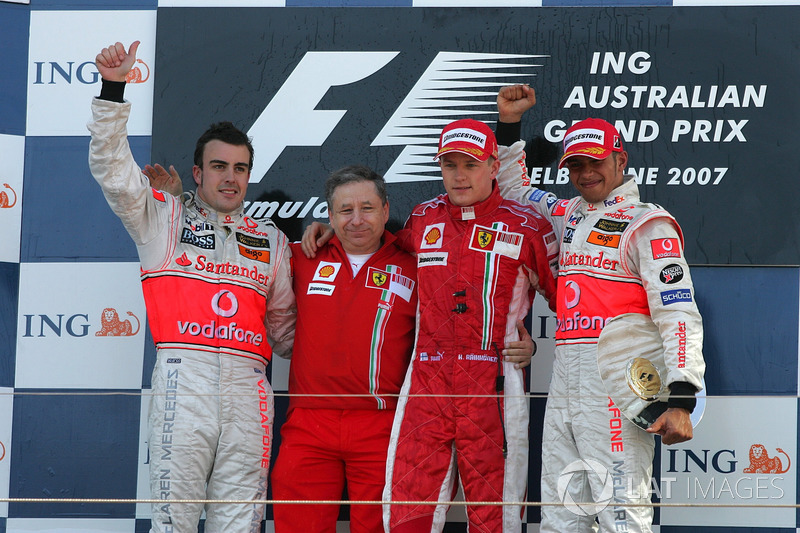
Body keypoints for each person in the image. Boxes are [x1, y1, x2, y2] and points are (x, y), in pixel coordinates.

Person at [89, 41, 296, 533]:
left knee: (241, 525)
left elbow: (288, 333)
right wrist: (113, 89)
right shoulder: (164, 217)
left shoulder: (272, 241)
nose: (231, 178)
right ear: (199, 172)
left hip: (251, 384)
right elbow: (114, 173)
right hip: (185, 381)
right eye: (220, 167)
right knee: (173, 522)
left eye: (240, 168)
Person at [494, 84, 706, 532]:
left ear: (621, 160)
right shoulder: (568, 213)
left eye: (596, 161)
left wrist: (683, 395)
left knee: (622, 517)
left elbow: (679, 312)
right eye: (575, 164)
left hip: (618, 379)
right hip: (564, 379)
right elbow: (512, 189)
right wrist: (509, 125)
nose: (586, 173)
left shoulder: (648, 223)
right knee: (559, 517)